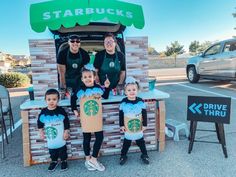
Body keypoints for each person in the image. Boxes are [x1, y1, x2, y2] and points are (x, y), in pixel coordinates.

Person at [71, 64, 110, 171]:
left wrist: (107, 87)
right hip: (85, 117)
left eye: (90, 76)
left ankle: (93, 159)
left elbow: (106, 96)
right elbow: (73, 98)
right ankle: (87, 159)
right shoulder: (80, 89)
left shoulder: (98, 87)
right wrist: (74, 109)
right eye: (85, 77)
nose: (87, 79)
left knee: (99, 137)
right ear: (82, 79)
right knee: (86, 138)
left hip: (96, 117)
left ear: (94, 77)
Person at [37, 89, 70, 172]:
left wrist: (66, 131)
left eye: (54, 99)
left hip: (60, 135)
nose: (51, 101)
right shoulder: (43, 112)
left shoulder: (61, 110)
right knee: (52, 149)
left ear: (58, 100)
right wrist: (41, 131)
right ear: (45, 100)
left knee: (62, 149)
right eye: (49, 99)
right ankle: (54, 161)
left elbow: (66, 121)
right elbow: (40, 122)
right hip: (50, 135)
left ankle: (64, 161)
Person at [119, 77, 149, 165]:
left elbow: (144, 114)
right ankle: (123, 155)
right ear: (125, 92)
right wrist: (121, 125)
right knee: (126, 143)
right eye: (129, 90)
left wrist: (144, 125)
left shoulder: (140, 101)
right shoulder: (123, 102)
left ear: (137, 90)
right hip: (128, 126)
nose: (132, 92)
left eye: (134, 89)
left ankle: (145, 155)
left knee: (141, 142)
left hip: (138, 125)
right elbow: (121, 114)